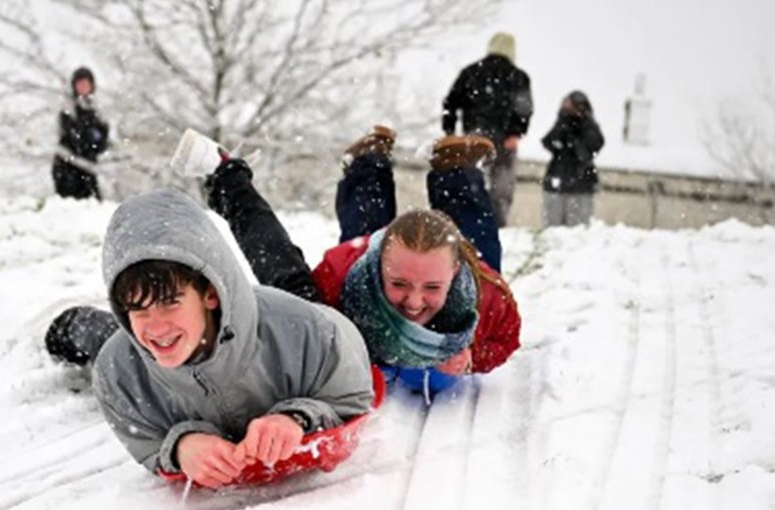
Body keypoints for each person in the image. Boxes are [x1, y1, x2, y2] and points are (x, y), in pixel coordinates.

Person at [44, 187, 375, 488]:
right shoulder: (118, 369)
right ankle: (69, 322)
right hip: (134, 348)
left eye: (170, 301)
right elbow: (145, 442)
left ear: (210, 294)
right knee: (105, 338)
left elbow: (352, 393)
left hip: (264, 321)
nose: (156, 324)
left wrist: (298, 418)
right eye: (137, 308)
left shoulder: (305, 330)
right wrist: (181, 446)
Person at [198, 127, 520, 398]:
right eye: (399, 284)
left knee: (475, 242)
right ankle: (368, 161)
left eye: (433, 287)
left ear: (454, 274)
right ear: (378, 264)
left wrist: (472, 356)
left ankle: (457, 170)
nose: (415, 302)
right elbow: (277, 262)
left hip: (454, 268)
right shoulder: (343, 278)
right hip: (364, 274)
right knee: (361, 225)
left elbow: (507, 339)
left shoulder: (487, 297)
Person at [442, 32, 533, 228]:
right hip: (505, 139)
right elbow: (525, 109)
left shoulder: (471, 72)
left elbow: (450, 102)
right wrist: (516, 133)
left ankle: (470, 220)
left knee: (473, 180)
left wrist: (449, 131)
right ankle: (497, 224)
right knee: (502, 185)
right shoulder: (518, 77)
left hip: (474, 136)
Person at [541, 91, 605, 227]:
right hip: (557, 180)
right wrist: (563, 124)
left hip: (580, 183)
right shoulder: (562, 123)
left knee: (576, 230)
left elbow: (588, 151)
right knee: (552, 227)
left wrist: (574, 138)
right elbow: (548, 142)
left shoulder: (589, 126)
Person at [51, 67, 110, 200]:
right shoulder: (68, 109)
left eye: (86, 83)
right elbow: (74, 137)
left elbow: (103, 139)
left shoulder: (97, 109)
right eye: (80, 83)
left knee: (94, 206)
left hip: (88, 167)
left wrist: (95, 142)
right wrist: (90, 139)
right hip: (67, 165)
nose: (83, 87)